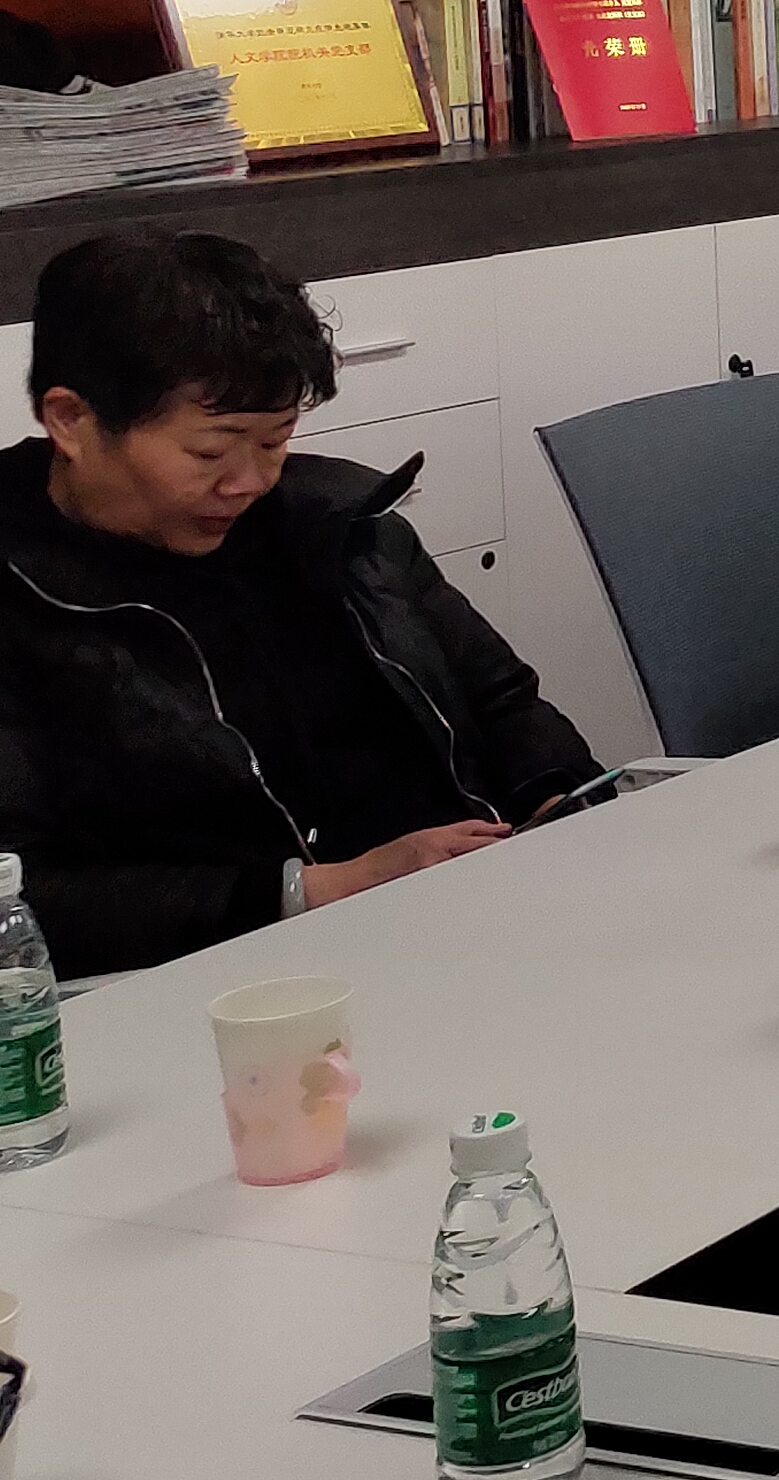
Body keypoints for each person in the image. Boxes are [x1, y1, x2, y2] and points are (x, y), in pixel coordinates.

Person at [0, 229, 598, 974]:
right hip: (229, 978)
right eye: (210, 452)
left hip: (467, 921)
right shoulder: (20, 595)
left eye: (275, 441)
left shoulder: (338, 524)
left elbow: (503, 701)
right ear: (72, 421)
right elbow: (24, 892)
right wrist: (314, 891)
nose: (249, 482)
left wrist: (560, 804)